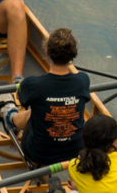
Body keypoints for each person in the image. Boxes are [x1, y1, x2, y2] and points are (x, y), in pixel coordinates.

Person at [12, 26, 91, 174]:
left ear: (47, 52)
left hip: (39, 154)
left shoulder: (32, 84)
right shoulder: (83, 80)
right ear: (72, 55)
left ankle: (9, 117)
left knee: (32, 112)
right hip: (75, 153)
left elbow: (20, 98)